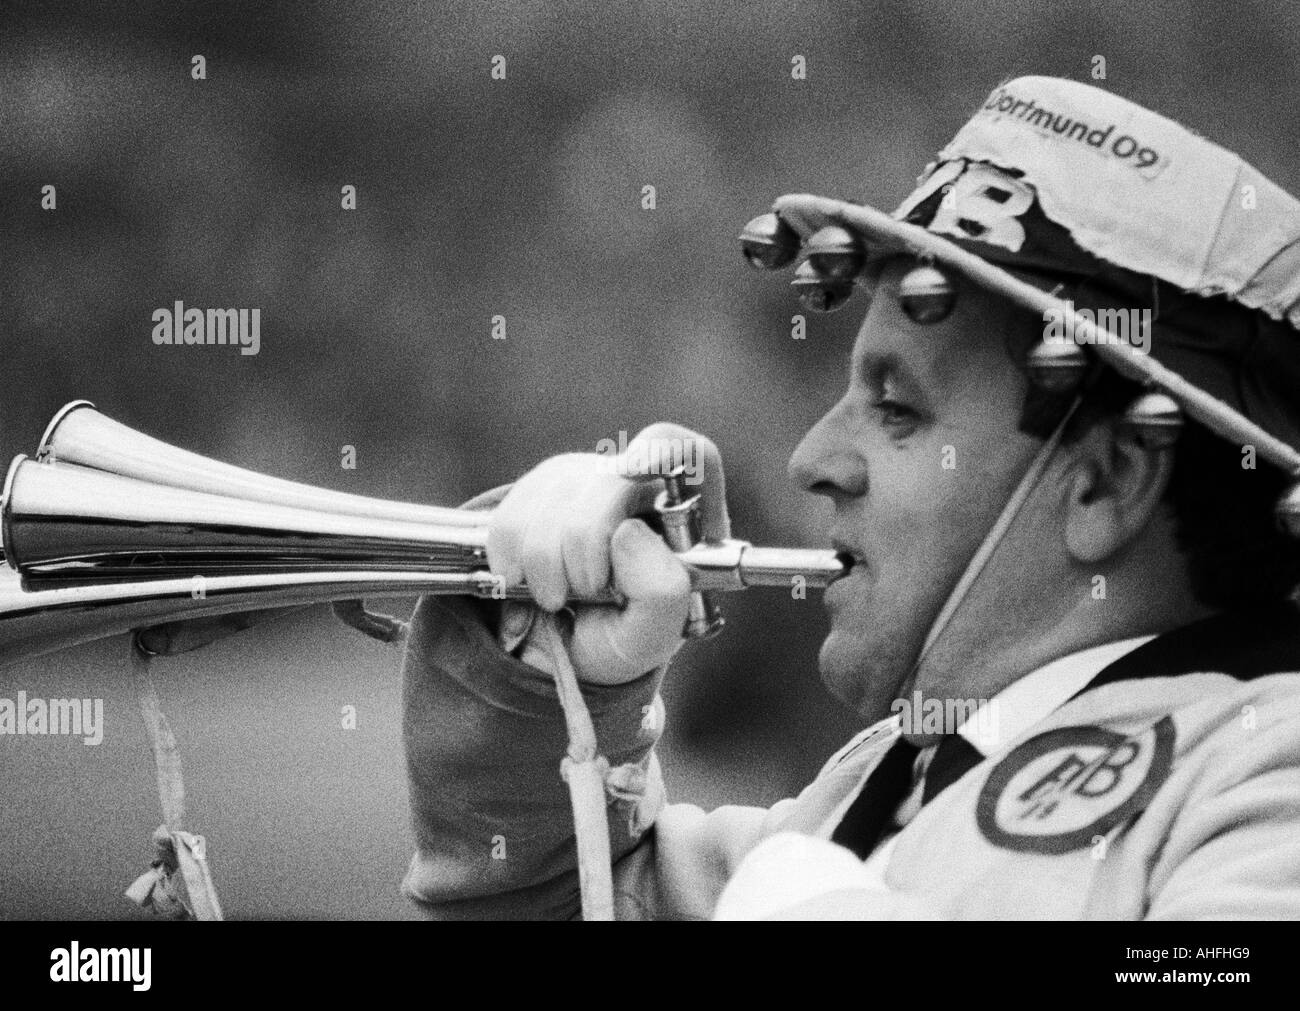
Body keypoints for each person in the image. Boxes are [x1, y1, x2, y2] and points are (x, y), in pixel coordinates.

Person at [400, 76, 1300, 919]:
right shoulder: (885, 774)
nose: (811, 457)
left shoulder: (1266, 767)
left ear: (1108, 481)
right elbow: (571, 899)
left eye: (897, 407)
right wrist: (545, 668)